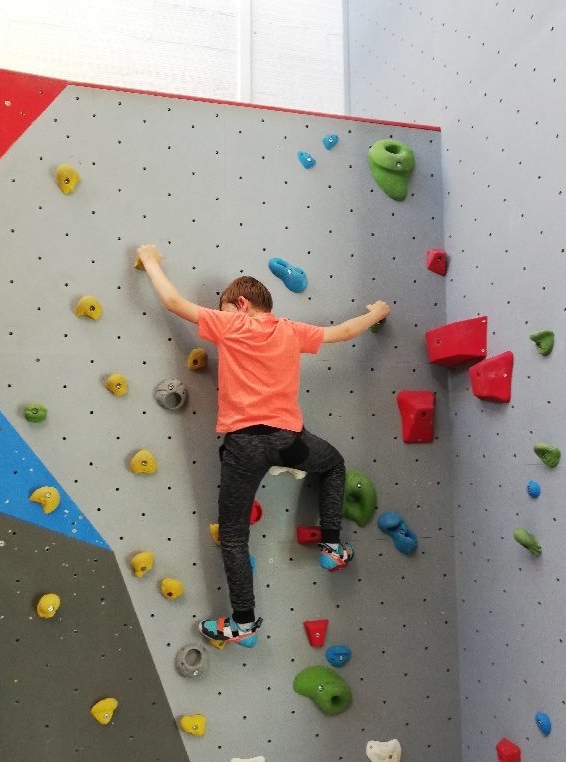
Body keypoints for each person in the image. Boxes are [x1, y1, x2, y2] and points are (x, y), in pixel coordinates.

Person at [136, 245, 390, 648]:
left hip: (244, 447)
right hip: (290, 441)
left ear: (241, 304)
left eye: (223, 307)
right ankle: (332, 544)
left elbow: (173, 302)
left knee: (235, 537)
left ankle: (244, 623)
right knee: (333, 464)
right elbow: (342, 332)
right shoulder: (291, 330)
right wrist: (377, 313)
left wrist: (150, 260)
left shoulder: (232, 324)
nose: (220, 314)